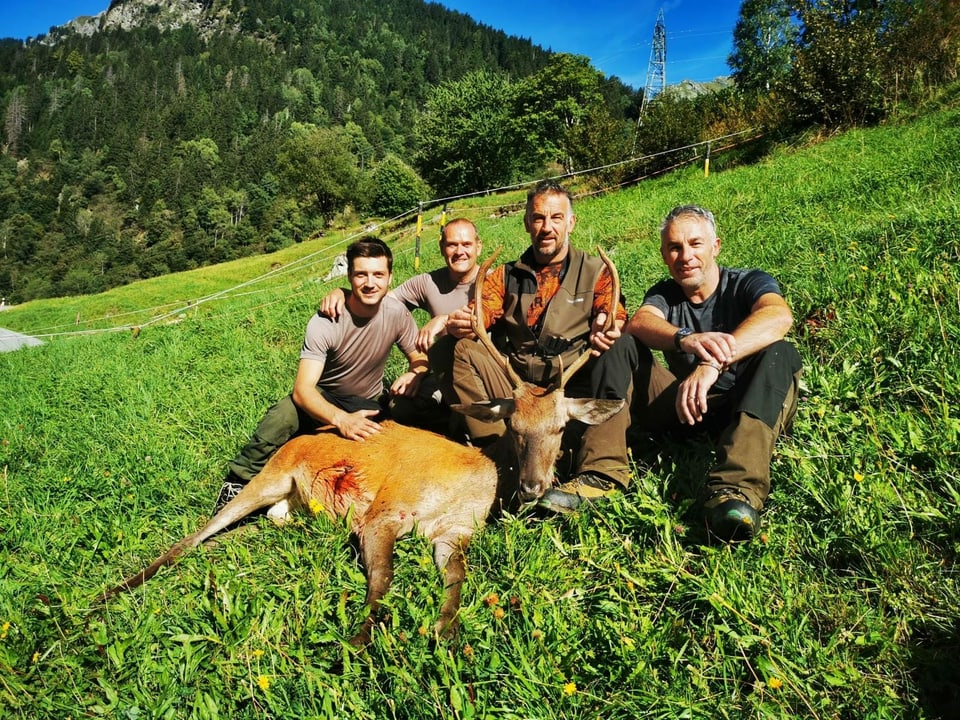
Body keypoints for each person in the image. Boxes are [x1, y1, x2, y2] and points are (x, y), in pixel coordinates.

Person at [446, 179, 638, 513]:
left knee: (620, 346)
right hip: (519, 387)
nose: (546, 227)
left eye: (556, 218)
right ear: (526, 224)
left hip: (567, 389)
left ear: (571, 222)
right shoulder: (503, 276)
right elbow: (482, 313)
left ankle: (598, 470)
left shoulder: (595, 273)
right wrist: (462, 322)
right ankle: (500, 455)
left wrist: (608, 324)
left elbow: (614, 312)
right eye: (538, 218)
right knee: (462, 349)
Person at [213, 236, 428, 513]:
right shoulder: (327, 320)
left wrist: (416, 374)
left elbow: (419, 357)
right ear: (349, 276)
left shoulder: (396, 312)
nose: (370, 283)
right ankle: (238, 481)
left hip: (369, 401)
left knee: (417, 406)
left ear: (390, 277)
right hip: (326, 397)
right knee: (281, 416)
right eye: (361, 274)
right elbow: (303, 389)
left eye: (378, 274)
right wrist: (341, 420)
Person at [625, 205, 802, 542]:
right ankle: (605, 460)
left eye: (695, 244)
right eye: (675, 247)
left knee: (782, 352)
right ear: (664, 255)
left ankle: (734, 493)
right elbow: (640, 322)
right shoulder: (665, 294)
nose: (685, 256)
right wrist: (685, 339)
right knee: (624, 343)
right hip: (690, 409)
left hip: (746, 403)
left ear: (715, 246)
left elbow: (778, 317)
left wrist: (713, 363)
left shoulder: (747, 282)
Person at [320, 218, 483, 433]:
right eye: (452, 244)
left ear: (478, 247)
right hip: (443, 376)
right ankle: (446, 434)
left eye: (466, 244)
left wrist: (444, 319)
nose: (459, 251)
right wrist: (343, 292)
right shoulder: (428, 283)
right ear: (441, 247)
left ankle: (471, 431)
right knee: (399, 406)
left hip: (482, 376)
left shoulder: (492, 280)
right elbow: (380, 296)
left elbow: (479, 318)